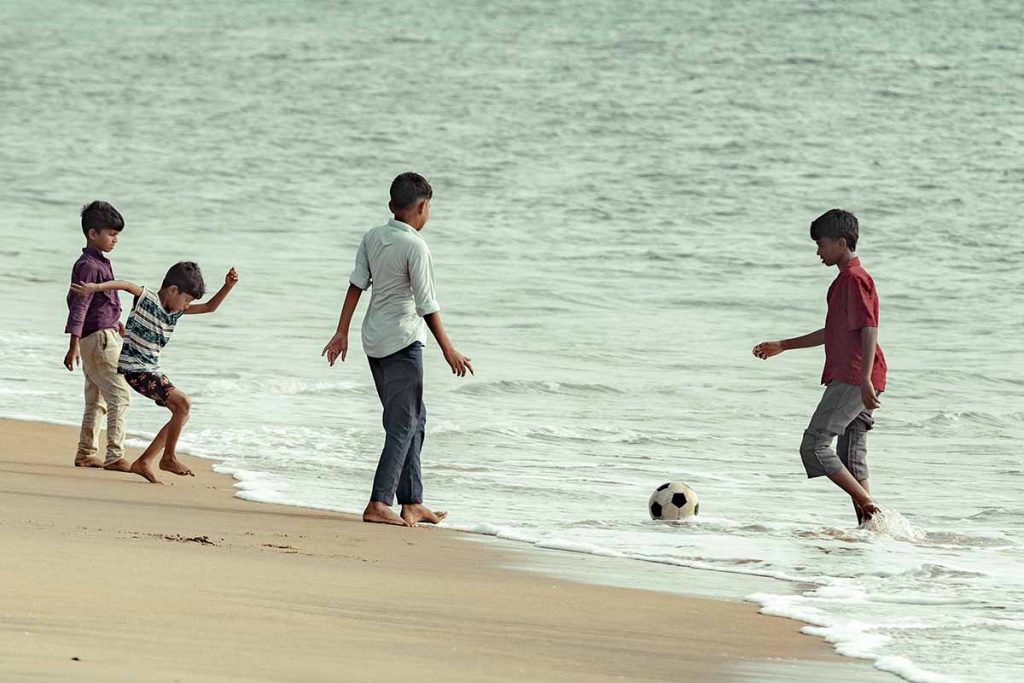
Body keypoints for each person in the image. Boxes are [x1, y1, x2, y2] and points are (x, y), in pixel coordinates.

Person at [322, 172, 473, 527]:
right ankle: (378, 502)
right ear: (422, 207)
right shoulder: (416, 247)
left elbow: (355, 286)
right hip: (403, 343)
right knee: (403, 424)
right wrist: (449, 349)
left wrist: (341, 332)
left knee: (414, 419)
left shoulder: (374, 236)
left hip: (374, 340)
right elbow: (427, 304)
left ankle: (412, 502)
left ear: (392, 206)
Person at [752, 209, 886, 524]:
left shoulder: (853, 279)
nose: (818, 252)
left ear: (841, 242)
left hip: (855, 377)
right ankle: (869, 529)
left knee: (814, 445)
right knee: (850, 457)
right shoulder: (847, 280)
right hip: (863, 376)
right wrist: (783, 345)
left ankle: (874, 512)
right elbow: (833, 331)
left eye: (821, 244)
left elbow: (869, 328)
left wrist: (864, 379)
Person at [70, 262, 238, 484]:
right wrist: (94, 288)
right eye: (186, 299)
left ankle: (146, 461)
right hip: (136, 370)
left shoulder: (175, 313)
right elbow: (125, 284)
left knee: (182, 411)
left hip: (151, 370)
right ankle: (167, 458)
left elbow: (209, 307)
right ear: (172, 290)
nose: (186, 305)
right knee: (184, 403)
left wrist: (228, 286)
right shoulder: (147, 299)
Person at [64, 201, 132, 471]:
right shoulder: (91, 266)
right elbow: (79, 305)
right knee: (119, 396)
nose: (115, 239)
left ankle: (86, 453)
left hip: (96, 336)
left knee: (96, 398)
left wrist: (117, 324)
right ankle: (115, 455)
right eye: (111, 234)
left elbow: (98, 304)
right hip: (100, 340)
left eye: (117, 235)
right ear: (93, 234)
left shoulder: (95, 263)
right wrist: (72, 345)